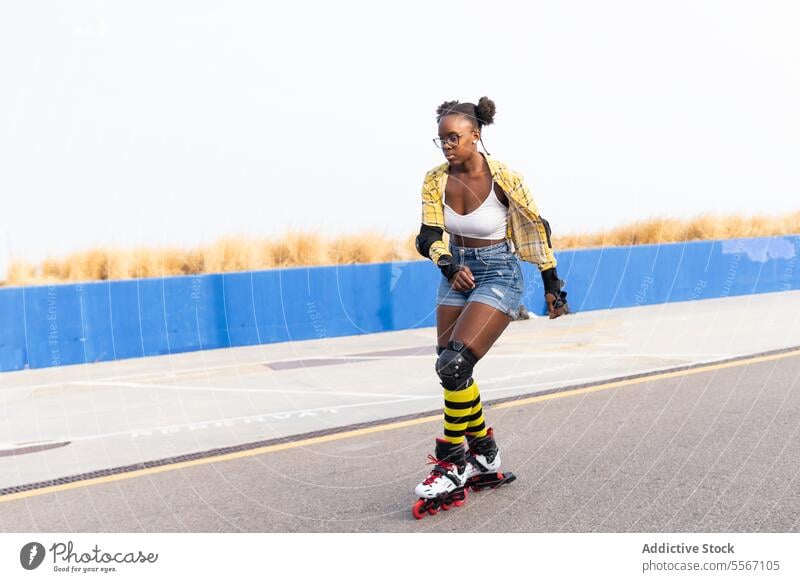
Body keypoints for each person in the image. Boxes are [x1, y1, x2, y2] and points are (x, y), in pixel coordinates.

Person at [412, 96, 568, 513]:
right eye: (440, 139)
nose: (446, 145)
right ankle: (485, 452)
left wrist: (552, 283)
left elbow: (537, 227)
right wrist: (446, 264)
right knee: (452, 370)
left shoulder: (505, 178)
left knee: (455, 363)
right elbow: (427, 234)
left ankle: (451, 463)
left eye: (453, 137)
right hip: (456, 272)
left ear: (476, 135)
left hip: (499, 272)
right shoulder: (434, 180)